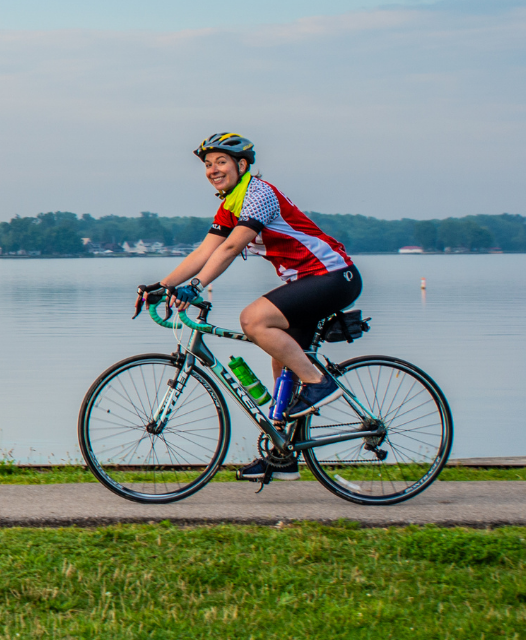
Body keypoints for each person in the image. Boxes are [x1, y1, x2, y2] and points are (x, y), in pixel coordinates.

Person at [140, 133, 361, 481]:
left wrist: (195, 287)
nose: (213, 170)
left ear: (242, 165)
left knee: (253, 320)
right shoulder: (230, 204)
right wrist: (162, 286)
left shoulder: (258, 195)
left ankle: (320, 383)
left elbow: (229, 249)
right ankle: (283, 455)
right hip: (308, 282)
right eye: (209, 164)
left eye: (221, 162)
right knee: (281, 359)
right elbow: (204, 252)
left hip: (332, 276)